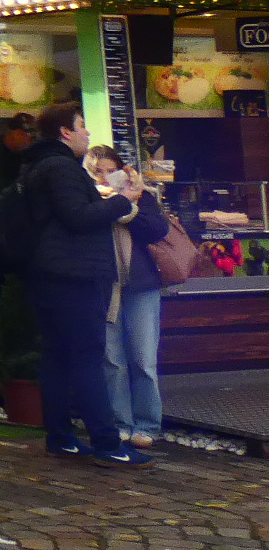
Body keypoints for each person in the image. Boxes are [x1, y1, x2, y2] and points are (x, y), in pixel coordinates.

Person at [19, 105, 153, 466]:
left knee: (58, 357)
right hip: (73, 276)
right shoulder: (61, 167)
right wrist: (124, 200)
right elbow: (78, 217)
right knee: (86, 358)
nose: (87, 133)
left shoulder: (36, 166)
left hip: (50, 275)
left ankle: (61, 438)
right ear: (65, 132)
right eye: (82, 126)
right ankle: (108, 445)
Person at [88, 144, 173, 450]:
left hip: (140, 285)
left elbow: (156, 230)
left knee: (143, 359)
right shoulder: (85, 200)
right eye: (97, 172)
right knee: (112, 359)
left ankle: (147, 424)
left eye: (110, 171)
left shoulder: (140, 196)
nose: (104, 177)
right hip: (103, 285)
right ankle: (120, 423)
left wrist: (128, 204)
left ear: (122, 172)